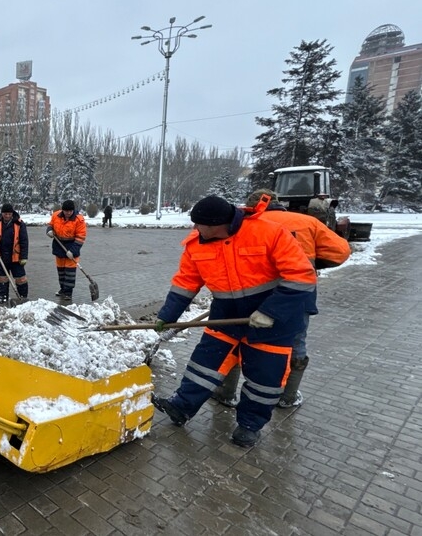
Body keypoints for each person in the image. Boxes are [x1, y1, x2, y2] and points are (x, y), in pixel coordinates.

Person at [150, 194, 317, 448]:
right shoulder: (197, 244)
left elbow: (301, 276)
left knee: (264, 376)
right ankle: (181, 407)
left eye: (199, 224)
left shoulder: (269, 233)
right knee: (205, 363)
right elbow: (185, 283)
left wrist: (270, 311)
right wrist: (167, 316)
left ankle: (250, 426)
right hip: (227, 315)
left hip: (273, 320)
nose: (195, 229)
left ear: (217, 223)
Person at [212, 189, 351, 409]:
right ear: (278, 203)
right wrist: (311, 265)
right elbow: (341, 252)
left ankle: (227, 392)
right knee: (294, 344)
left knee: (236, 340)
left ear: (250, 206)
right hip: (297, 296)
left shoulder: (242, 225)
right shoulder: (307, 222)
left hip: (249, 296)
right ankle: (287, 396)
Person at [0, 203, 29, 305]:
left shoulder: (19, 224)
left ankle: (22, 297)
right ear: (2, 213)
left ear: (12, 213)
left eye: (9, 214)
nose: (7, 216)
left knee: (20, 279)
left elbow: (24, 241)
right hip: (1, 256)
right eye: (5, 214)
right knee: (2, 279)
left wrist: (24, 257)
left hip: (16, 257)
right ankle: (3, 297)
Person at [45, 200, 87, 302]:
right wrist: (49, 230)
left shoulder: (79, 220)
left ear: (73, 210)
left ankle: (68, 293)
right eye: (66, 211)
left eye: (70, 211)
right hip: (59, 245)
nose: (68, 213)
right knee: (61, 271)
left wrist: (72, 251)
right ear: (62, 210)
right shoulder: (56, 215)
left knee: (70, 272)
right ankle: (63, 289)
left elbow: (80, 237)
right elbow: (50, 224)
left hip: (72, 246)